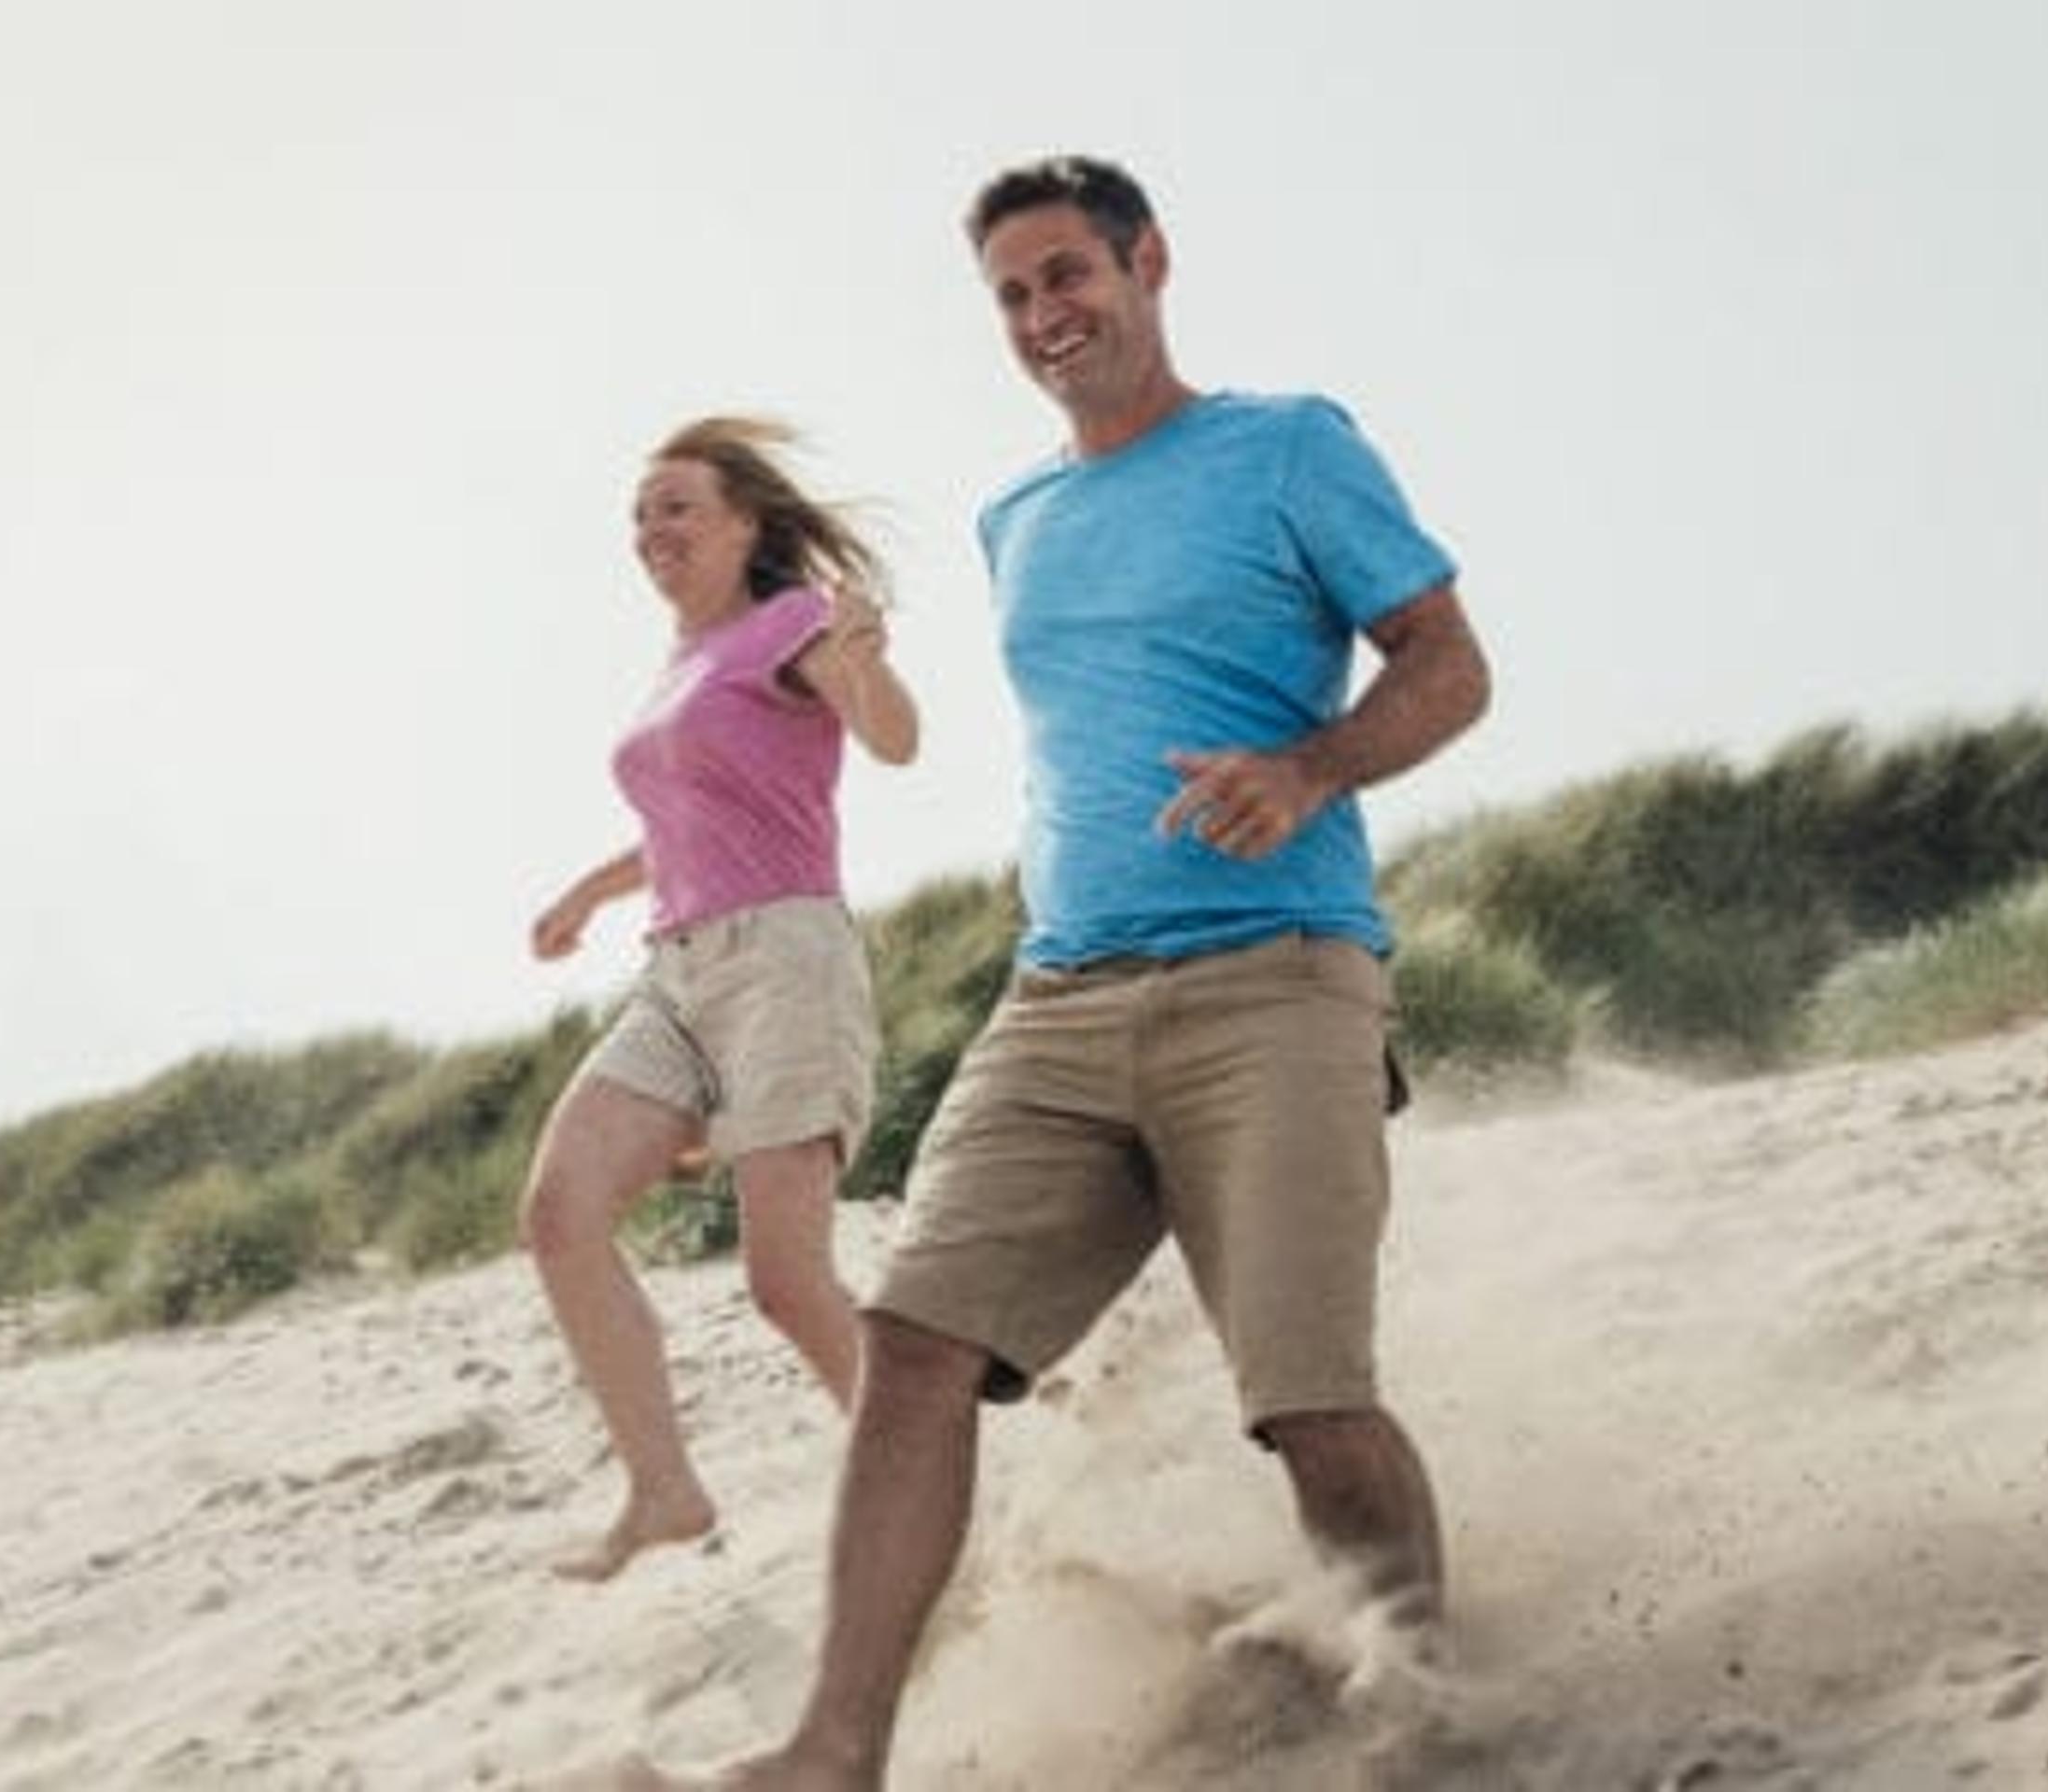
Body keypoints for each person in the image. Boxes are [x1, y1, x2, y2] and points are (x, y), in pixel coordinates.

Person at [698, 156, 1494, 1786]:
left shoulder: (1287, 447)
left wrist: (1315, 766)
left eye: (1068, 276)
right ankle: (833, 1752)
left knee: (1309, 1399)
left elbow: (1452, 665)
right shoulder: (1018, 518)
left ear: (1148, 264)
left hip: (1276, 975)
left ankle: (1431, 1707)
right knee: (915, 1346)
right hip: (1058, 997)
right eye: (1011, 295)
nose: (1045, 315)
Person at [523, 415, 919, 1583]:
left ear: (747, 521)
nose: (653, 532)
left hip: (785, 963)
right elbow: (684, 824)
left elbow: (892, 741)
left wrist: (861, 658)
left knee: (787, 1281)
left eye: (678, 507)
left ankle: (925, 1485)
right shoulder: (679, 668)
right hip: (676, 972)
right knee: (560, 1213)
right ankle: (664, 1489)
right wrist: (586, 894)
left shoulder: (788, 624)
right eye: (641, 516)